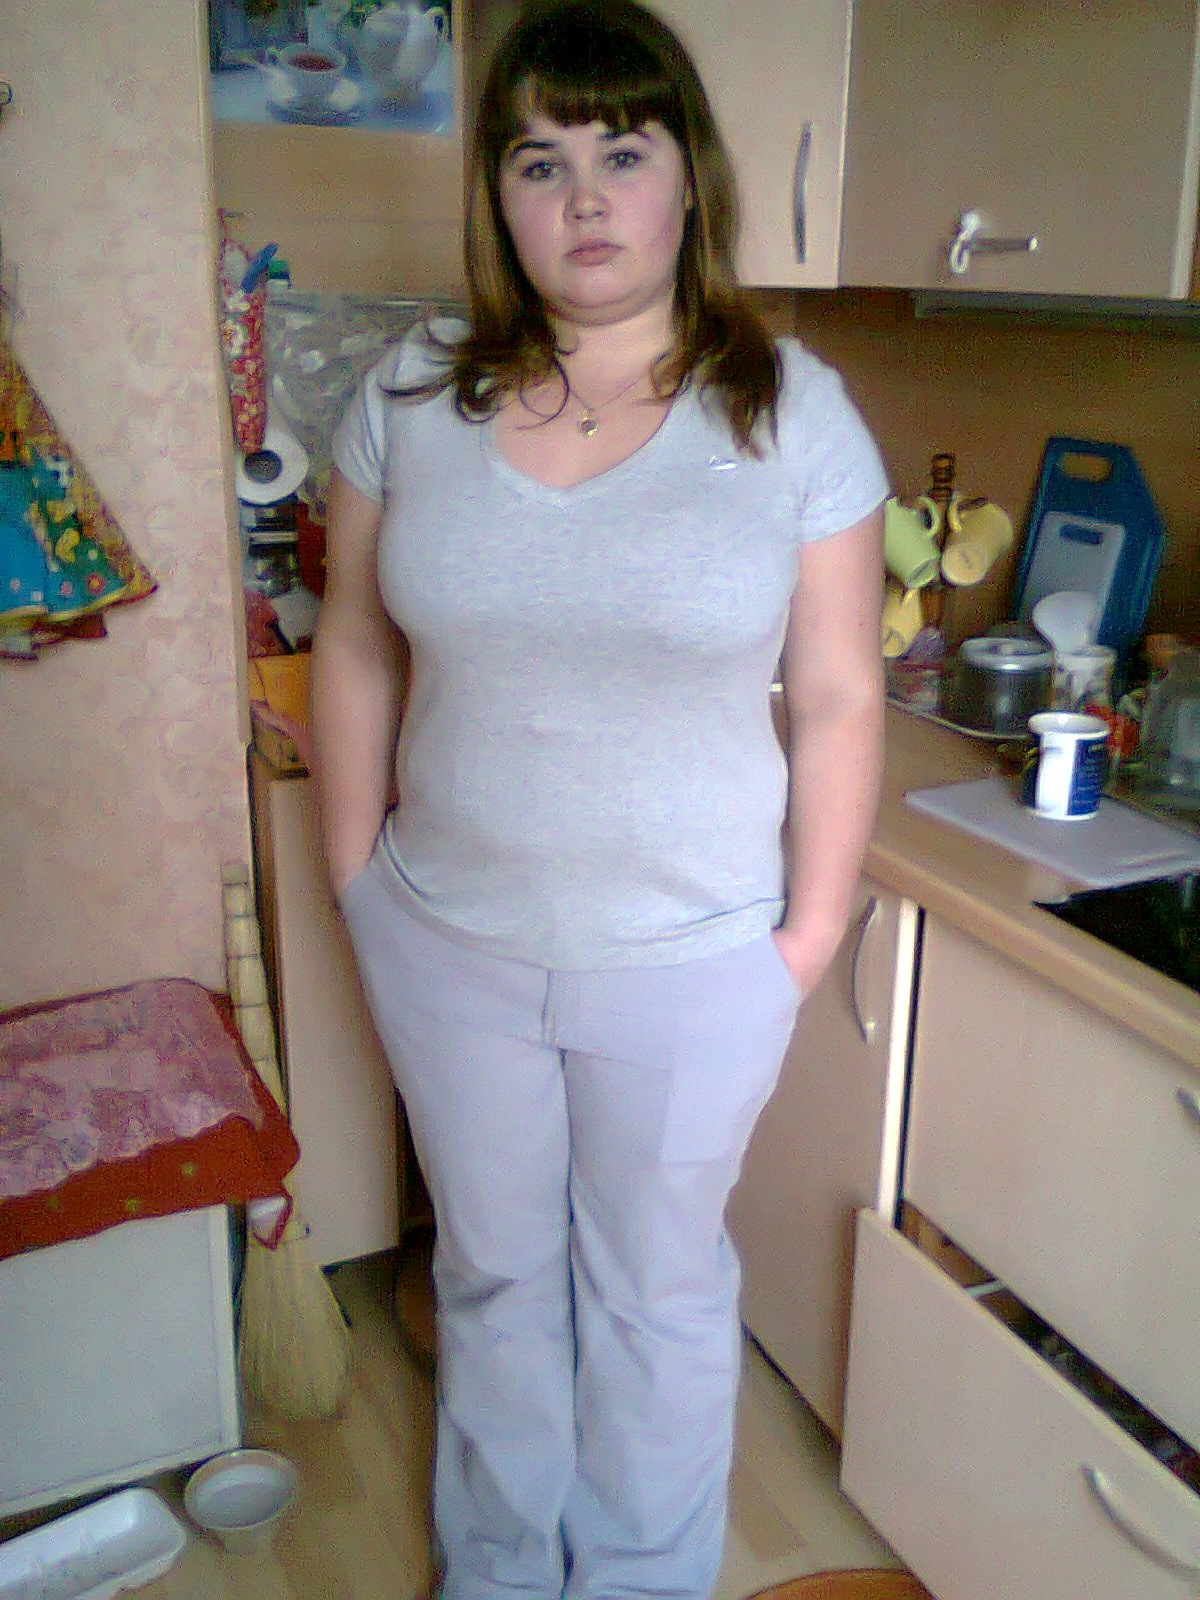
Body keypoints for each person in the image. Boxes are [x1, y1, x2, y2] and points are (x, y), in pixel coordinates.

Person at [310, 2, 887, 1596]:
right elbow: (352, 641)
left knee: (653, 1295)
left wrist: (805, 938)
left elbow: (841, 695)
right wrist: (357, 878)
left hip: (694, 959)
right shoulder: (408, 395)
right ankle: (499, 1569)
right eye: (538, 160)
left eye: (622, 153)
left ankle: (634, 1579)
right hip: (448, 940)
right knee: (496, 1280)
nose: (582, 199)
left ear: (689, 177)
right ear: (496, 194)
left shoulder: (791, 411)